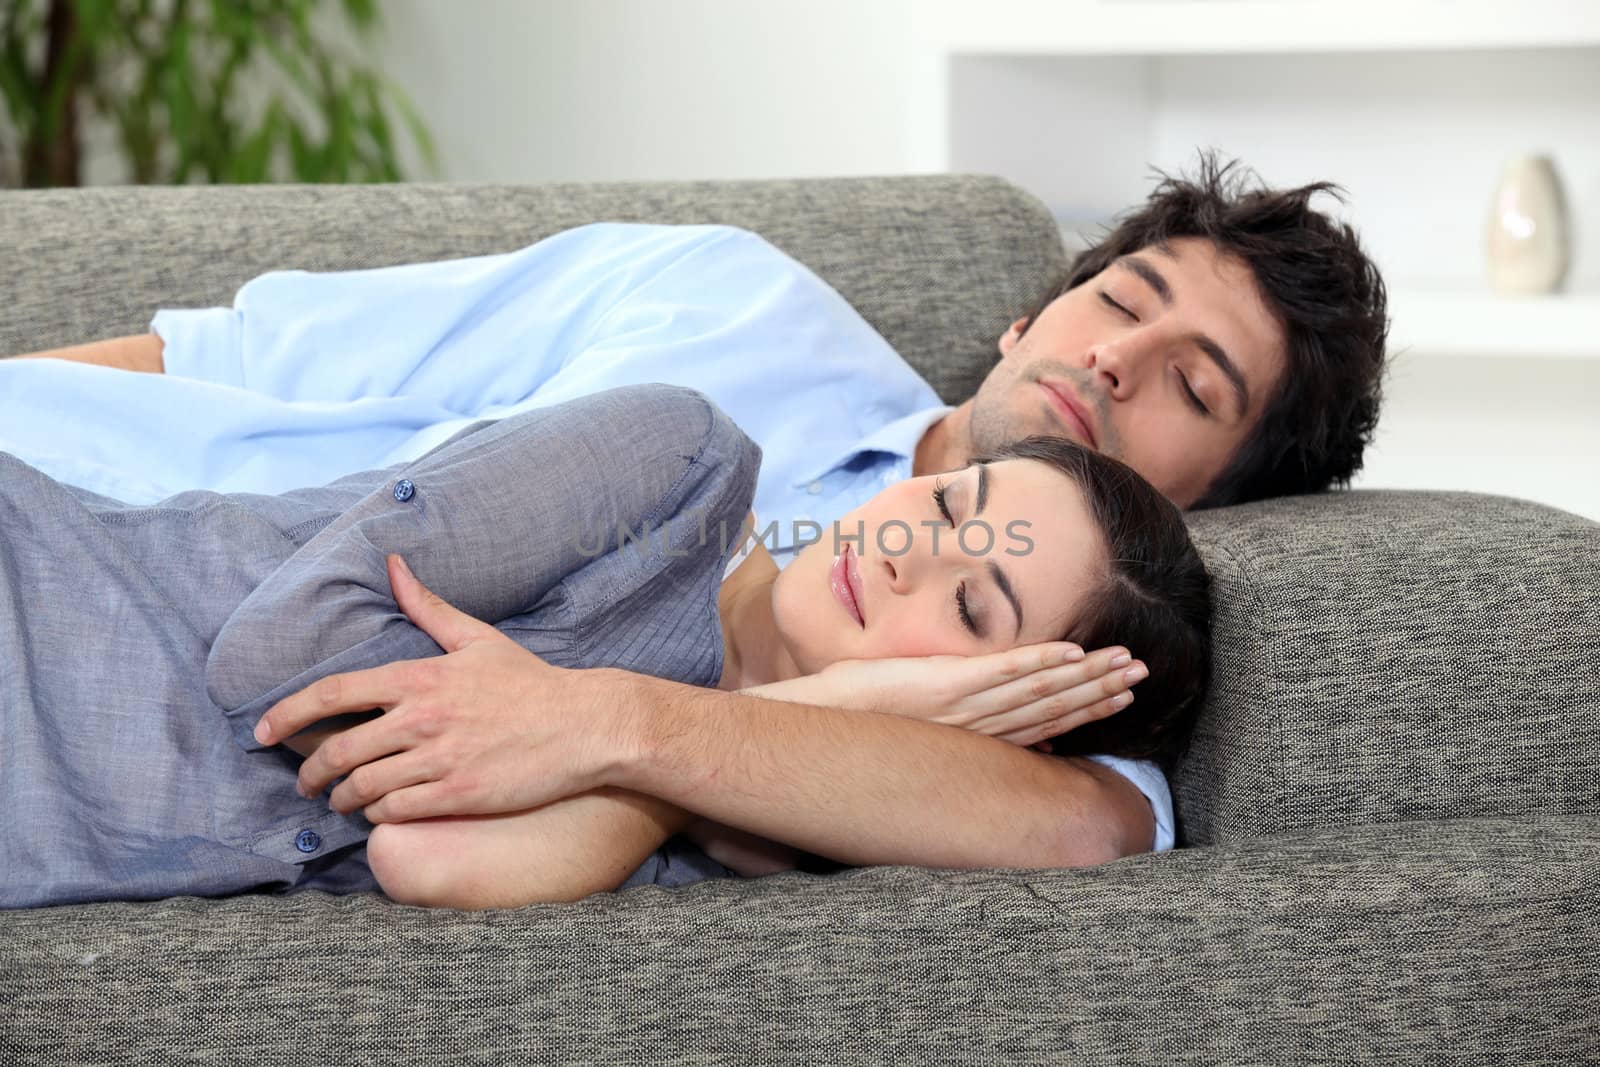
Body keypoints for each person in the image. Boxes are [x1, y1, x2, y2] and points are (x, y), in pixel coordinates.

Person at [1, 154, 1388, 878]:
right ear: (1031, 311)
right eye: (1119, 304)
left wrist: (628, 730)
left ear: (1217, 499)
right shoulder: (722, 324)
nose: (1111, 363)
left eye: (1190, 389)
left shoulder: (1070, 638)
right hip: (78, 513)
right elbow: (237, 349)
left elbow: (1089, 827)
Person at [0, 384, 1209, 909]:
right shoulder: (676, 463)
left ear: (991, 697)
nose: (910, 553)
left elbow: (432, 862)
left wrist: (794, 726)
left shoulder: (746, 840)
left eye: (971, 609)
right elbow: (281, 653)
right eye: (951, 507)